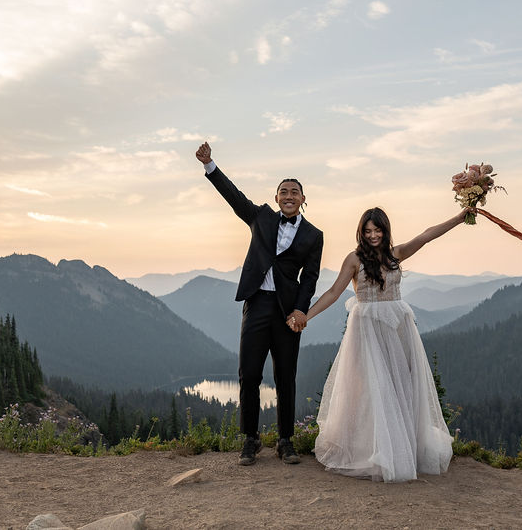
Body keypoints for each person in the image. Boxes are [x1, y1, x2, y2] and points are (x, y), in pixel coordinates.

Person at [300, 206, 469, 482]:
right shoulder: (354, 259)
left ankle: (403, 449)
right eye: (367, 231)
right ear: (361, 232)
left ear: (385, 230)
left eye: (377, 230)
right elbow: (333, 292)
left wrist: (460, 218)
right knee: (369, 389)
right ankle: (372, 450)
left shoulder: (396, 254)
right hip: (366, 329)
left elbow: (426, 236)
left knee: (400, 385)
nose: (373, 235)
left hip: (398, 326)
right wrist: (306, 316)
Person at [195, 142, 323, 466]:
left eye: (295, 192)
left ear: (303, 199)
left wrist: (301, 310)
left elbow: (310, 277)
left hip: (287, 312)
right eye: (284, 191)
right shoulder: (261, 217)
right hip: (256, 305)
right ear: (277, 197)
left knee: (286, 377)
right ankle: (250, 440)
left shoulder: (314, 235)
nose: (289, 195)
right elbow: (234, 197)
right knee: (249, 374)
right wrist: (210, 165)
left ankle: (285, 441)